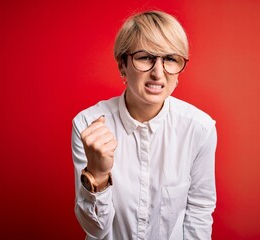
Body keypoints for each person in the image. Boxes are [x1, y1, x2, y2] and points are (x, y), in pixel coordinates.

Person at [71, 10, 217, 240]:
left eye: (170, 59)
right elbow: (95, 229)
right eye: (145, 57)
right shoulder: (88, 126)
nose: (158, 73)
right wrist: (98, 174)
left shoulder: (199, 129)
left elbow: (199, 213)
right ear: (122, 66)